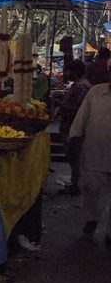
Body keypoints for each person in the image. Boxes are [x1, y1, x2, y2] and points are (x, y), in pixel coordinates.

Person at [68, 79, 111, 246]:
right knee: (92, 189)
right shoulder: (95, 92)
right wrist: (75, 136)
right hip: (95, 151)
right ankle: (92, 219)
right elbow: (82, 117)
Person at [59, 60, 91, 196]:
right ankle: (75, 183)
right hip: (74, 126)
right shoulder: (84, 84)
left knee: (74, 156)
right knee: (74, 156)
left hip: (74, 126)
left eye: (69, 71)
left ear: (75, 72)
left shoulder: (80, 86)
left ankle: (76, 185)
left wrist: (62, 105)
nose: (66, 74)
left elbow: (81, 109)